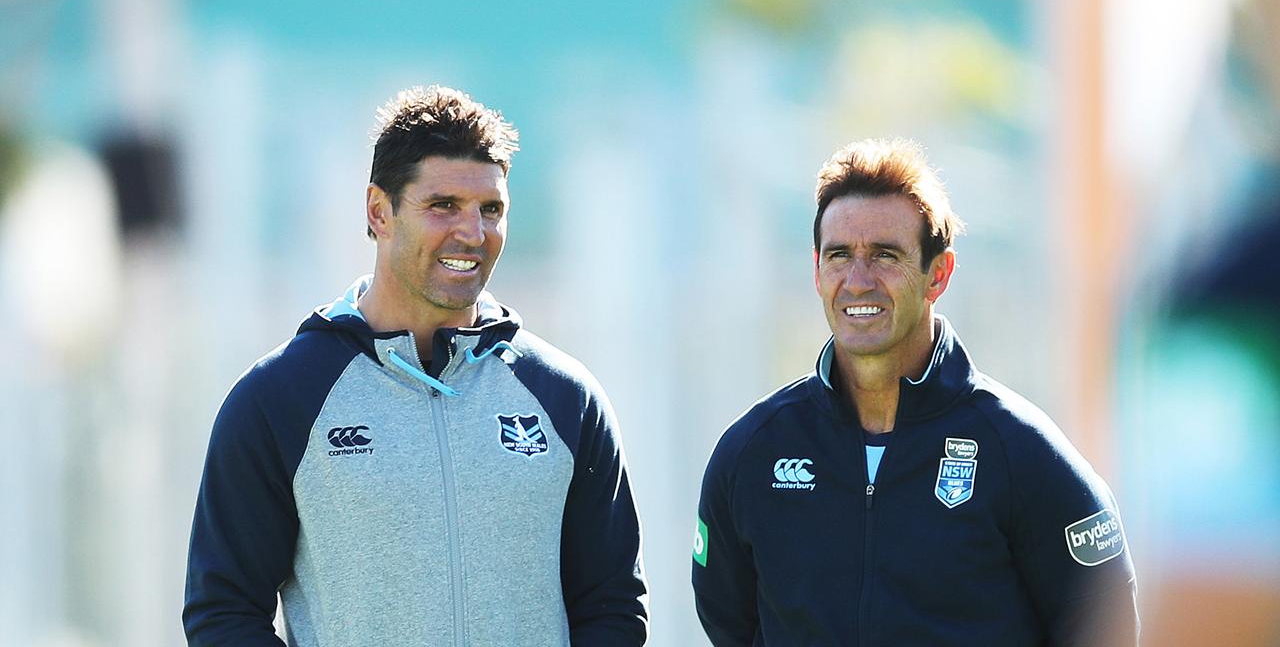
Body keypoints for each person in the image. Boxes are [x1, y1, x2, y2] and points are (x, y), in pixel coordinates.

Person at [184, 85, 648, 646]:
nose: (472, 233)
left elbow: (613, 606)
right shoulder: (280, 397)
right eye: (443, 206)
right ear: (379, 211)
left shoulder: (565, 397)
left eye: (491, 210)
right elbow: (224, 613)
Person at [692, 139, 1137, 646]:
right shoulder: (753, 453)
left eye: (885, 255)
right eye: (840, 256)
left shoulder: (1021, 452)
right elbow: (730, 624)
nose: (858, 281)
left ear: (938, 274)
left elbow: (1108, 625)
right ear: (817, 271)